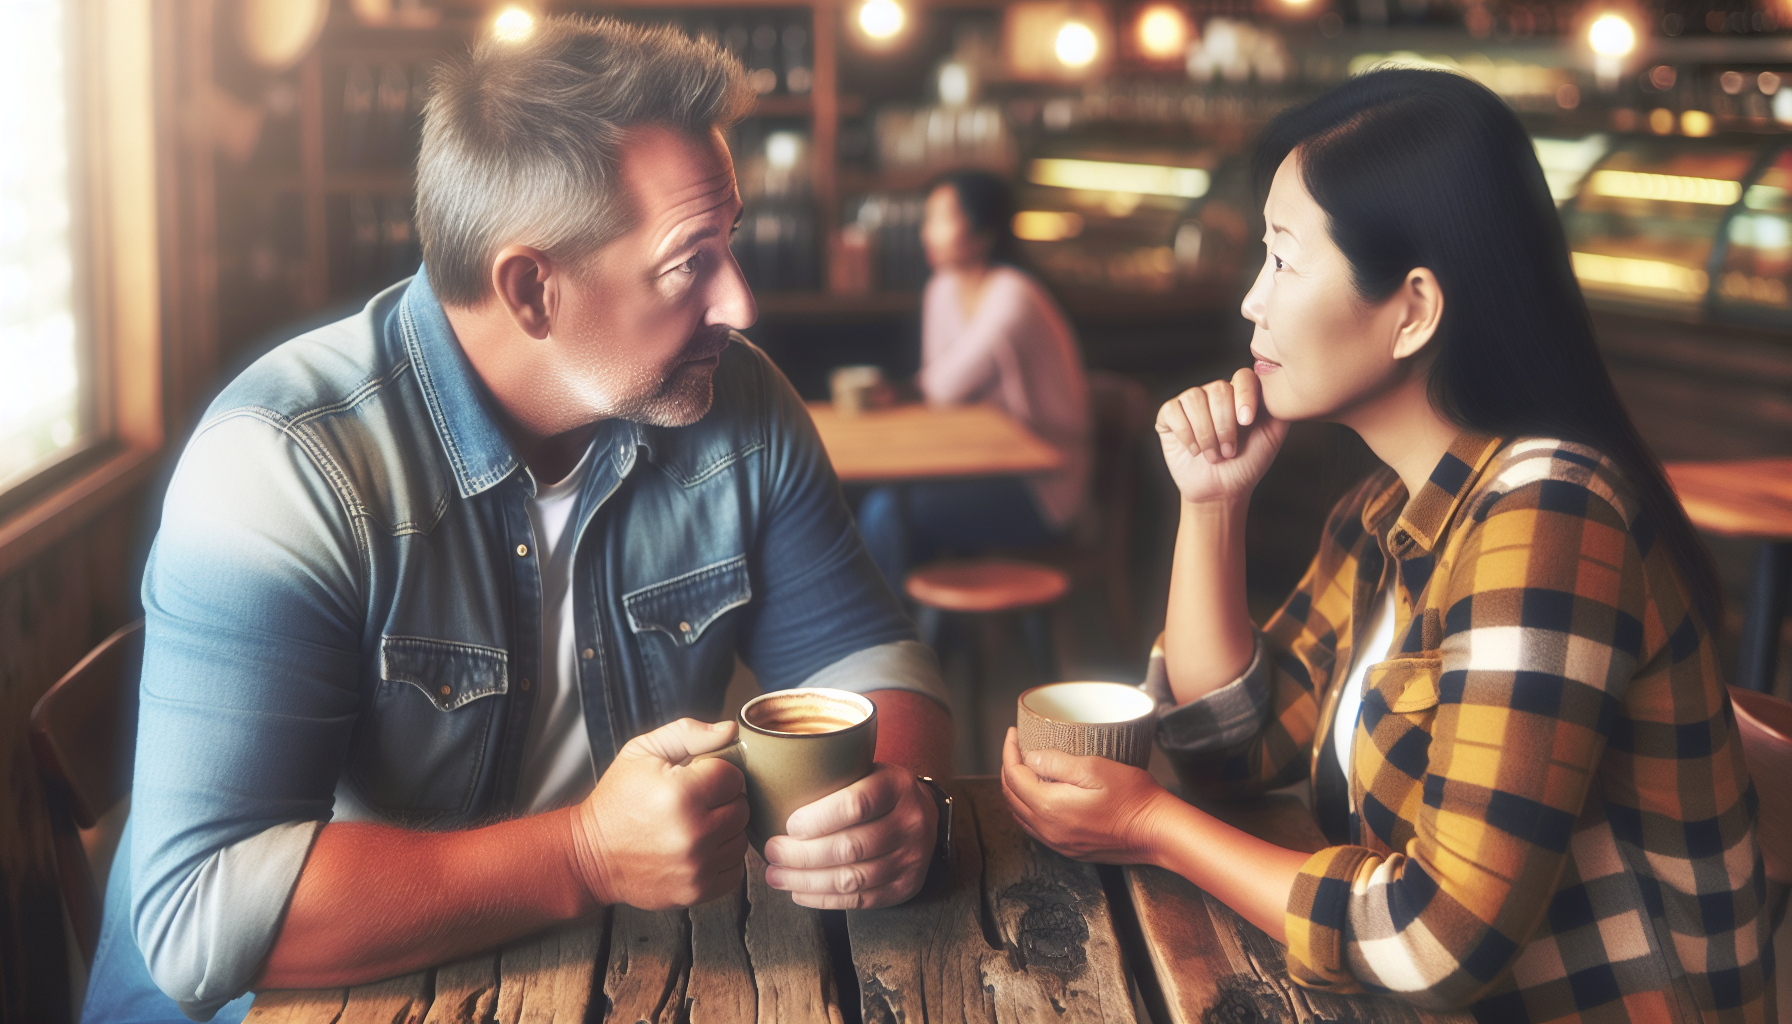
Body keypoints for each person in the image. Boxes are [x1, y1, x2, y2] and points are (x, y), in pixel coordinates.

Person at [85, 18, 952, 1023]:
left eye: (733, 245)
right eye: (691, 261)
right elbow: (204, 917)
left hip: (592, 969)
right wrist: (585, 852)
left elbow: (872, 662)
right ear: (532, 287)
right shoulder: (285, 460)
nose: (741, 304)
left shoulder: (737, 405)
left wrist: (905, 798)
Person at [1001, 69, 1772, 1022]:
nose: (1252, 300)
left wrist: (1146, 826)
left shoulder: (1550, 518)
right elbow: (1225, 745)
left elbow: (1437, 941)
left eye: (1283, 260)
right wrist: (1213, 504)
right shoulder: (1389, 509)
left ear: (1412, 308)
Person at [855, 171, 1090, 592]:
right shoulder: (942, 288)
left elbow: (942, 388)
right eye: (928, 219)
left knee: (887, 512)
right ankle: (929, 639)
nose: (928, 232)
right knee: (891, 506)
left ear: (983, 231)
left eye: (943, 218)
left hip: (1043, 486)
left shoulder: (1014, 295)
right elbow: (938, 394)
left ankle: (893, 644)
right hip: (984, 466)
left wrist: (910, 389)